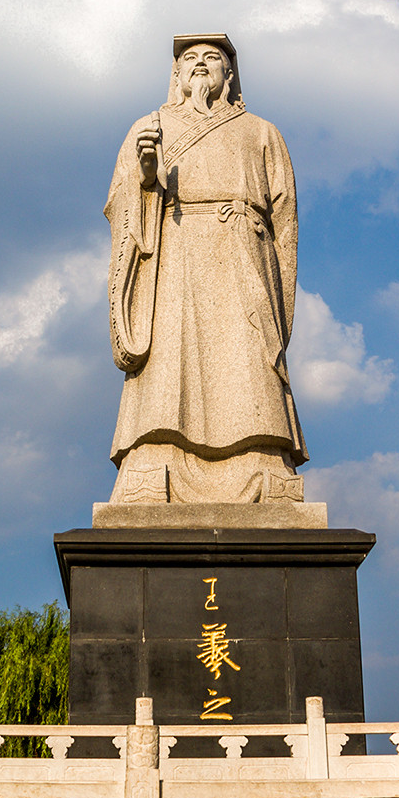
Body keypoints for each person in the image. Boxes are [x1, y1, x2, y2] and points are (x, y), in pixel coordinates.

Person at [105, 33, 306, 504]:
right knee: (169, 363)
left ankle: (263, 462)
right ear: (176, 76)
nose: (200, 65)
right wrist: (148, 179)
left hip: (242, 254)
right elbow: (121, 201)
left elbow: (286, 220)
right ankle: (156, 461)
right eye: (190, 59)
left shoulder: (261, 131)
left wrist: (275, 285)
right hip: (174, 253)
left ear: (229, 75)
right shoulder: (148, 126)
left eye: (212, 58)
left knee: (249, 361)